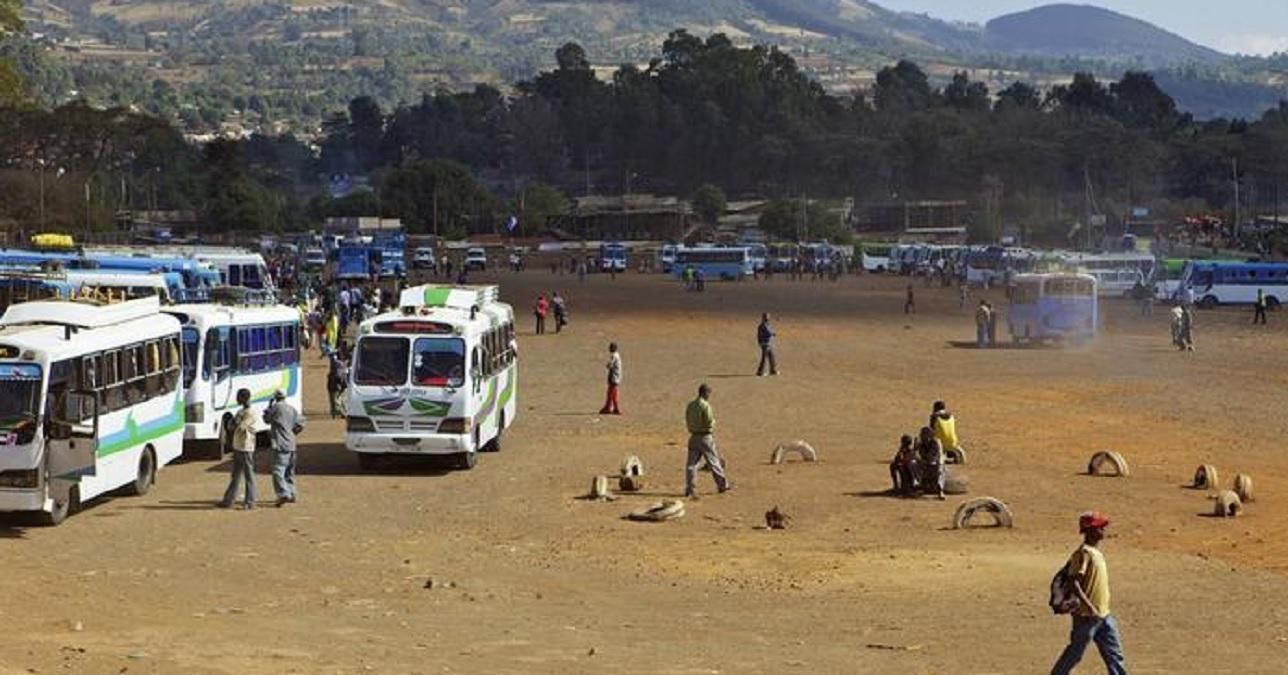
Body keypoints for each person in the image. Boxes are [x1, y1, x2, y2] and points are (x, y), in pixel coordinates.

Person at [1051, 511, 1129, 675]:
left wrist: (1098, 610)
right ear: (1089, 530)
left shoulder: (1096, 552)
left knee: (1115, 656)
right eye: (1099, 528)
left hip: (1103, 614)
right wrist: (1090, 607)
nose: (1103, 531)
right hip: (1086, 616)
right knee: (1074, 654)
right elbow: (1074, 582)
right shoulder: (1083, 553)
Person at [684, 383, 731, 498]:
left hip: (693, 437)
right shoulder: (705, 405)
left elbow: (687, 418)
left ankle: (690, 489)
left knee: (691, 465)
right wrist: (713, 424)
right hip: (705, 437)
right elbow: (709, 421)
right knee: (713, 461)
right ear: (705, 393)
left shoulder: (691, 405)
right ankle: (722, 485)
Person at [219, 388, 258, 510]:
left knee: (248, 475)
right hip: (238, 446)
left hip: (246, 447)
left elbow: (240, 426)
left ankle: (250, 501)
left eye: (238, 397)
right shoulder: (240, 412)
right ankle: (229, 499)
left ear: (244, 398)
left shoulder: (250, 413)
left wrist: (233, 423)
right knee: (235, 475)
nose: (237, 399)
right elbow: (231, 426)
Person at [263, 390, 302, 507]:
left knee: (278, 470)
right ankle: (292, 493)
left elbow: (266, 419)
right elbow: (300, 424)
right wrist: (291, 432)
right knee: (289, 471)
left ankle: (283, 493)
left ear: (275, 398)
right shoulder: (291, 409)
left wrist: (269, 405)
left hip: (280, 443)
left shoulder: (275, 408)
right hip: (291, 443)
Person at [914, 426, 944, 500]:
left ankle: (940, 490)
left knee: (940, 471)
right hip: (925, 463)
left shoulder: (936, 443)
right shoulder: (921, 443)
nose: (922, 436)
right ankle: (921, 486)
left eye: (924, 435)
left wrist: (938, 465)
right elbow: (915, 455)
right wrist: (915, 448)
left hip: (935, 462)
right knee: (913, 464)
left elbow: (940, 456)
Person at [599, 342, 622, 415]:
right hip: (617, 377)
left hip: (614, 377)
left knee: (610, 393)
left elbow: (610, 365)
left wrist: (608, 366)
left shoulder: (613, 356)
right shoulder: (617, 355)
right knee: (614, 393)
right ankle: (615, 408)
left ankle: (609, 407)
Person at [327, 347, 349, 419]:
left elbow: (338, 375)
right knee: (341, 400)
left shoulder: (336, 363)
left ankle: (340, 413)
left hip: (335, 385)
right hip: (342, 384)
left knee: (334, 400)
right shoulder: (344, 364)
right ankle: (340, 413)